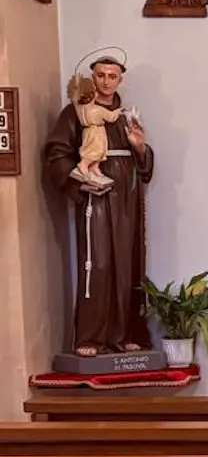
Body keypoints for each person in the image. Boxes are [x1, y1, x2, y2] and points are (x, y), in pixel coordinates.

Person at [41, 52, 154, 356]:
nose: (106, 82)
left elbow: (145, 166)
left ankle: (126, 334)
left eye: (112, 76)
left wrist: (139, 147)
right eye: (100, 75)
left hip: (127, 198)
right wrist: (79, 182)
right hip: (97, 196)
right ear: (93, 77)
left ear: (120, 79)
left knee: (128, 264)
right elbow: (57, 153)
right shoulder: (76, 112)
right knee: (98, 264)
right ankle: (91, 338)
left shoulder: (127, 115)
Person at [67, 77, 124, 189]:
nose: (106, 82)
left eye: (112, 77)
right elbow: (111, 117)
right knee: (96, 151)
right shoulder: (97, 110)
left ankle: (94, 167)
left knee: (96, 151)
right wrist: (118, 111)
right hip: (96, 133)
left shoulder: (79, 108)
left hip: (87, 132)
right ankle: (83, 164)